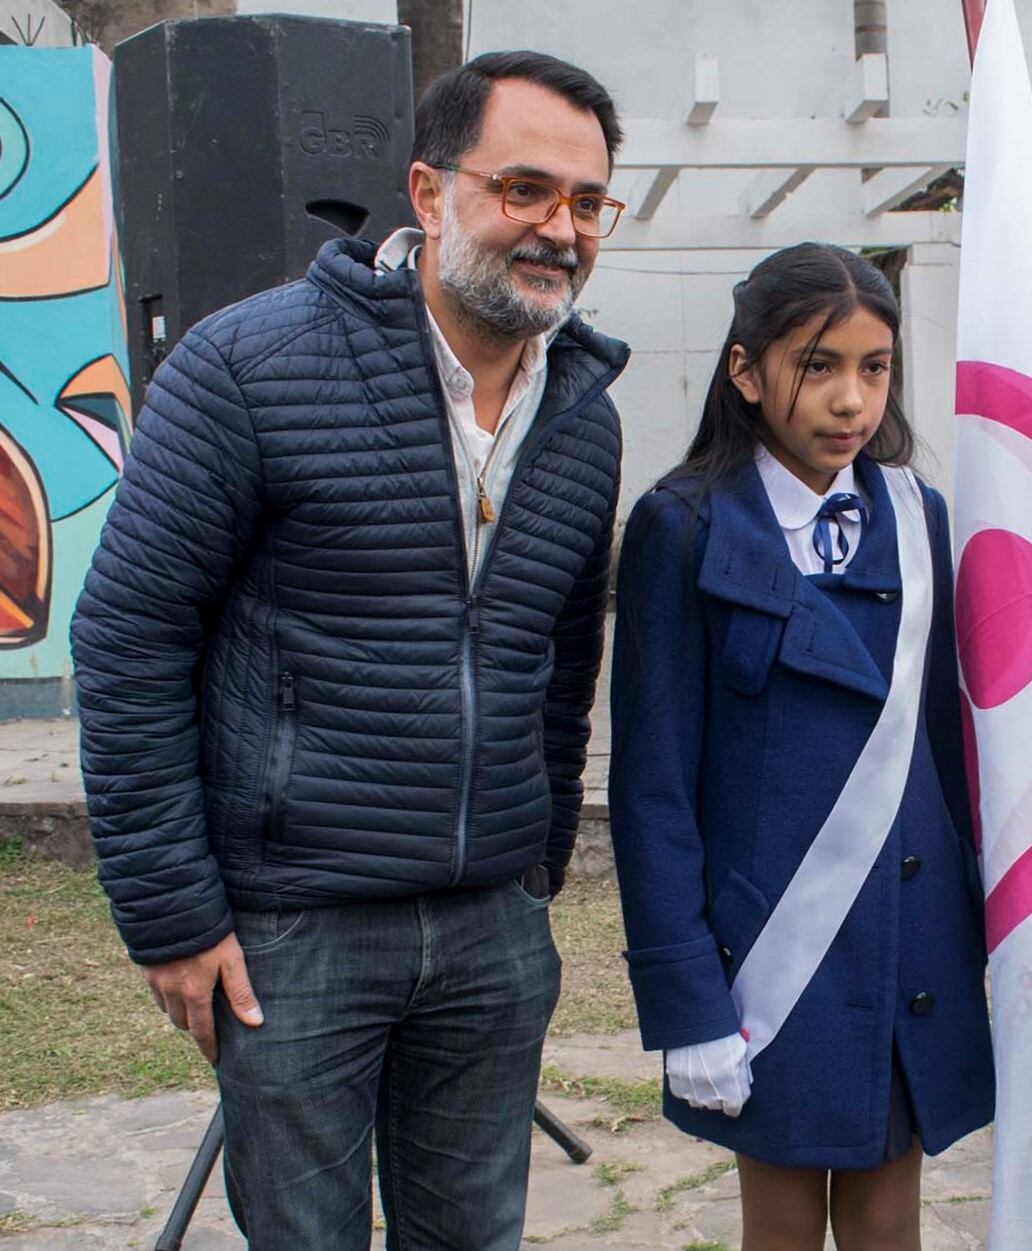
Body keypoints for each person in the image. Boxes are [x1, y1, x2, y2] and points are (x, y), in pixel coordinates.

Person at [71, 51, 629, 1249]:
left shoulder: (584, 412)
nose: (559, 229)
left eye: (587, 202)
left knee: (474, 1236)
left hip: (490, 927)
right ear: (428, 195)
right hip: (291, 929)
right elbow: (129, 638)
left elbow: (559, 656)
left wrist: (533, 867)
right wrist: (172, 915)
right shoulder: (247, 364)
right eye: (523, 188)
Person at [608, 242, 994, 1251]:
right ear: (745, 371)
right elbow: (652, 788)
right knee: (778, 1228)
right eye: (816, 365)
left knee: (887, 1226)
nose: (849, 400)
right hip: (772, 947)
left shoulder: (918, 520)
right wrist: (685, 998)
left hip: (910, 929)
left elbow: (951, 753)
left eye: (873, 368)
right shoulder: (680, 526)